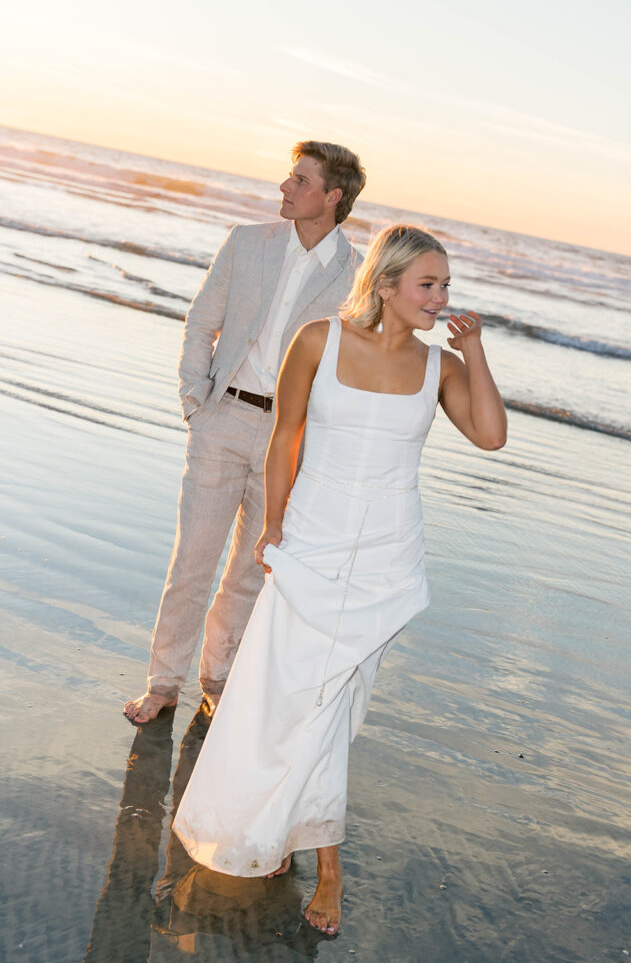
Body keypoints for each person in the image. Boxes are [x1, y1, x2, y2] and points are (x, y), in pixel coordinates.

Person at [171, 224, 507, 935]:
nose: (440, 297)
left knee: (332, 707)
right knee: (280, 695)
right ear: (385, 284)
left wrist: (472, 352)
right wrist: (273, 526)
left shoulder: (435, 368)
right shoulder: (319, 340)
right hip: (312, 546)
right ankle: (284, 841)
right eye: (428, 284)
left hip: (385, 557)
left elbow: (490, 435)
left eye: (445, 285)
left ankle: (325, 865)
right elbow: (285, 434)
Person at [124, 141, 366, 724]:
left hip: (291, 439)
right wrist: (195, 401)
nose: (285, 188)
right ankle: (162, 685)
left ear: (332, 197)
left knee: (253, 568)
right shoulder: (245, 241)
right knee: (194, 561)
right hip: (222, 418)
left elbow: (351, 367)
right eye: (289, 177)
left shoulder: (357, 275)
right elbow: (202, 321)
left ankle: (219, 679)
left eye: (300, 181)